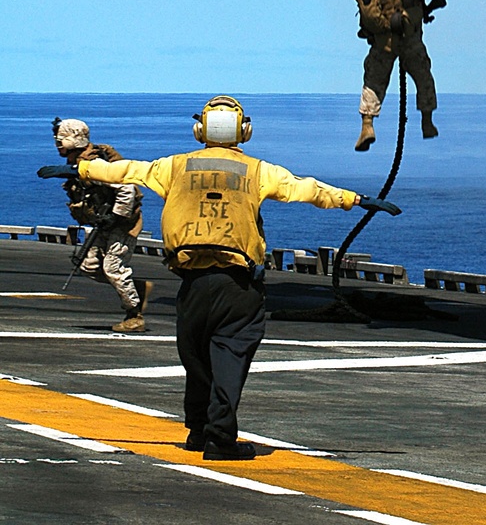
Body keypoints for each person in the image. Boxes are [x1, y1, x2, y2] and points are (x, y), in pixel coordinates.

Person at [39, 95, 398, 461]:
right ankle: (220, 440)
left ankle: (197, 430)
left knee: (195, 358)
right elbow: (309, 190)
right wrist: (357, 199)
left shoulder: (175, 167)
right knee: (230, 355)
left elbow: (126, 170)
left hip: (192, 282)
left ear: (200, 131)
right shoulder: (258, 171)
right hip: (237, 284)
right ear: (244, 131)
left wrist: (78, 171)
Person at [50, 117, 150, 333]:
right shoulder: (80, 161)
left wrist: (114, 216)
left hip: (123, 224)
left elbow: (127, 189)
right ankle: (134, 288)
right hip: (104, 224)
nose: (58, 144)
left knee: (113, 268)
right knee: (88, 266)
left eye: (61, 140)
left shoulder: (95, 164)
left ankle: (134, 315)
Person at [353, 0, 439, 150]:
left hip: (384, 43)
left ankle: (367, 126)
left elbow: (370, 19)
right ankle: (427, 122)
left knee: (373, 81)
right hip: (409, 38)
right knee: (423, 77)